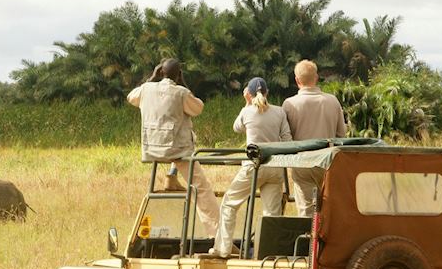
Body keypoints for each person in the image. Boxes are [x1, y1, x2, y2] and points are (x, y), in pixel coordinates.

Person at [127, 59, 220, 238]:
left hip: (152, 148)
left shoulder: (146, 89)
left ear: (160, 72)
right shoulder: (181, 92)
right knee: (201, 188)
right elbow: (198, 108)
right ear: (178, 75)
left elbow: (131, 97)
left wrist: (151, 78)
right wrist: (183, 83)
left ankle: (172, 176)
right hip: (177, 151)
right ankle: (217, 235)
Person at [209, 77, 292, 258]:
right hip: (275, 167)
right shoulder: (279, 112)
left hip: (253, 166)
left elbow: (237, 128)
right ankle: (270, 253)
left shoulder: (247, 112)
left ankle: (223, 248)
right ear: (267, 92)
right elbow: (287, 139)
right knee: (272, 213)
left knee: (230, 203)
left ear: (249, 94)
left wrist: (247, 104)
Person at [282, 60, 347, 216]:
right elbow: (342, 135)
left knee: (306, 211)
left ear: (297, 80)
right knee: (329, 209)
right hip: (328, 162)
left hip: (302, 163)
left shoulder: (289, 104)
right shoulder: (332, 101)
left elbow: (285, 139)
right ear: (316, 77)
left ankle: (309, 240)